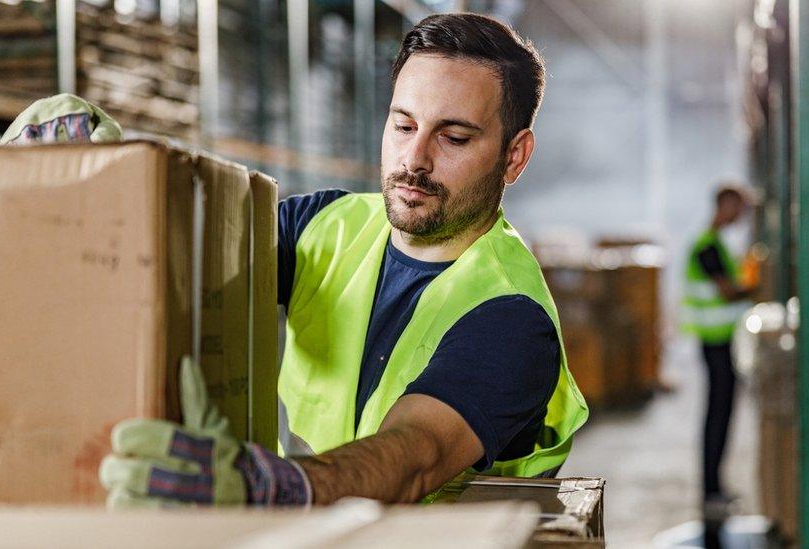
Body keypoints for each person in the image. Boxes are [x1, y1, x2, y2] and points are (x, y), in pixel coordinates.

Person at [93, 13, 588, 507]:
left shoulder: (511, 315)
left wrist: (271, 486)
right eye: (403, 125)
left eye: (453, 137)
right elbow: (172, 263)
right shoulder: (323, 225)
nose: (413, 159)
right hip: (319, 531)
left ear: (514, 157)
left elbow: (416, 454)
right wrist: (90, 178)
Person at [681, 183, 756, 517]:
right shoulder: (706, 247)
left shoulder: (716, 245)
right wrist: (761, 285)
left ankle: (715, 487)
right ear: (724, 205)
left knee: (722, 415)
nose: (741, 215)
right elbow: (728, 292)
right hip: (716, 344)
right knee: (717, 417)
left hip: (722, 343)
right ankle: (711, 490)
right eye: (738, 207)